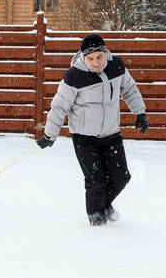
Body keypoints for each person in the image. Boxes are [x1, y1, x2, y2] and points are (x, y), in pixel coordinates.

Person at [36, 34, 149, 225]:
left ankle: (104, 205)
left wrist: (140, 112)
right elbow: (59, 106)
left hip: (112, 135)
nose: (96, 63)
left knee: (122, 177)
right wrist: (50, 134)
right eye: (90, 59)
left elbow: (129, 89)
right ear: (83, 57)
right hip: (85, 138)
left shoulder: (117, 67)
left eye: (99, 57)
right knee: (95, 180)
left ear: (106, 53)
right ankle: (97, 225)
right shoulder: (74, 76)